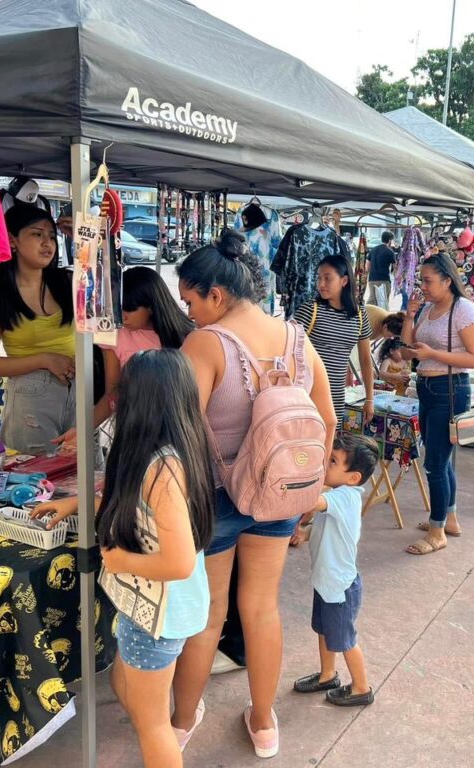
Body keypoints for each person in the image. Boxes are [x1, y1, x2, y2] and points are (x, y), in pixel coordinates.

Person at [169, 230, 336, 760]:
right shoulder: (297, 338)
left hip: (217, 497)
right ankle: (264, 723)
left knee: (209, 612)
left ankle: (180, 721)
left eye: (190, 300)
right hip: (282, 493)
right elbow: (328, 421)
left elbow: (181, 429)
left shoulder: (206, 343)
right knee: (262, 607)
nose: (189, 313)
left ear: (215, 295)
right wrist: (310, 492)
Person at [32, 349, 214, 767]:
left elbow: (179, 562)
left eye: (121, 393)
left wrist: (118, 561)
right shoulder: (178, 448)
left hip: (159, 615)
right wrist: (73, 504)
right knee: (126, 686)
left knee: (152, 726)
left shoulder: (160, 469)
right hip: (161, 611)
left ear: (139, 401)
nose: (114, 400)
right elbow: (135, 506)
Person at [53, 266, 194, 450]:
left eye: (130, 309)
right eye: (120, 309)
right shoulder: (116, 336)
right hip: (132, 431)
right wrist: (82, 430)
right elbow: (112, 393)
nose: (124, 316)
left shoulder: (186, 337)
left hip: (175, 431)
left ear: (151, 306)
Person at [402, 253, 474, 555]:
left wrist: (432, 355)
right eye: (421, 280)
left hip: (449, 389)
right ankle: (448, 518)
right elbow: (408, 348)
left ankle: (437, 531)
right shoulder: (427, 308)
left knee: (435, 464)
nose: (422, 286)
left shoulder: (464, 310)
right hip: (427, 387)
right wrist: (410, 318)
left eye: (428, 280)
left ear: (447, 281)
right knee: (442, 460)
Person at [292, 433, 380, 707]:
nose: (325, 464)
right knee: (324, 630)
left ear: (353, 477)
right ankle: (328, 675)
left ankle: (361, 688)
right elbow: (325, 529)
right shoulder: (338, 496)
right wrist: (304, 535)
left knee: (344, 640)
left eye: (332, 461)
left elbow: (312, 502)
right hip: (326, 583)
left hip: (339, 588)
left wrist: (298, 475)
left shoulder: (345, 497)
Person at [0, 204, 75, 454]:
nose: (47, 243)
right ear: (12, 240)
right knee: (36, 483)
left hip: (79, 392)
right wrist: (43, 360)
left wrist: (86, 241)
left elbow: (107, 300)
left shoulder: (68, 281)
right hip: (30, 398)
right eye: (37, 234)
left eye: (52, 236)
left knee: (88, 480)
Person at [294, 254, 374, 428]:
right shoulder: (310, 309)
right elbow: (286, 348)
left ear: (344, 281)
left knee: (329, 447)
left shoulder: (359, 315)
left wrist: (369, 398)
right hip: (306, 394)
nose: (321, 284)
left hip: (336, 397)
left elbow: (366, 360)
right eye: (319, 278)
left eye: (327, 278)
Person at [366, 231, 397, 307]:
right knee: (383, 303)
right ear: (389, 240)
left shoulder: (373, 249)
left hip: (372, 279)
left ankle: (366, 315)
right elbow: (395, 267)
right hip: (384, 280)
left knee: (372, 300)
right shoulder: (390, 251)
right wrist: (396, 278)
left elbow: (367, 266)